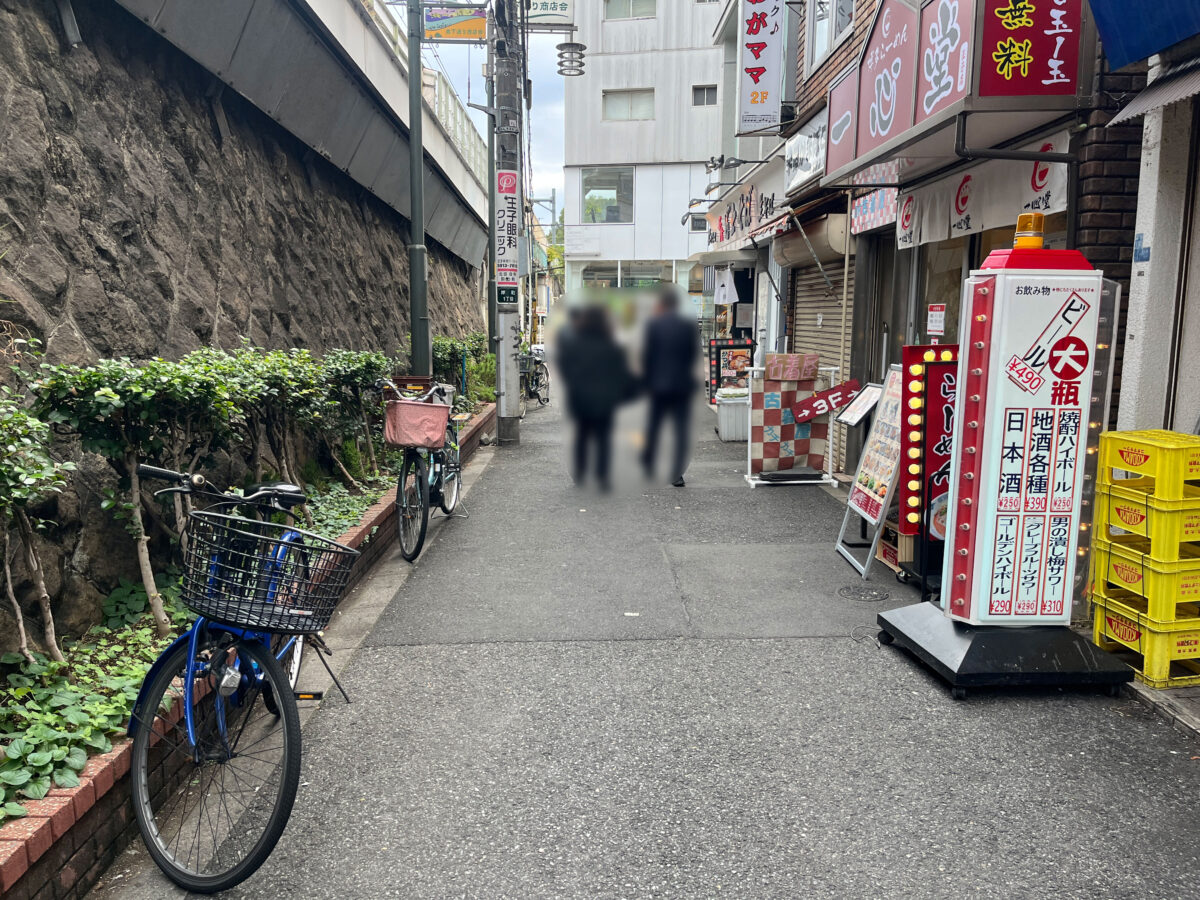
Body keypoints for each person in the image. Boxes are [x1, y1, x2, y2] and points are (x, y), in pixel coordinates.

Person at [556, 305, 634, 491]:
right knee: (604, 438)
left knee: (582, 436)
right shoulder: (612, 346)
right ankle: (602, 476)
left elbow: (564, 369)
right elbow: (621, 374)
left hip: (580, 399)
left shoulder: (574, 345)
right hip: (605, 400)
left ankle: (580, 474)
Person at [640, 285, 699, 487]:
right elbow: (693, 356)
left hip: (657, 385)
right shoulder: (688, 326)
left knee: (654, 426)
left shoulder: (653, 325)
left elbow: (647, 356)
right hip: (682, 385)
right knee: (680, 430)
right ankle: (677, 474)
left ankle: (648, 467)